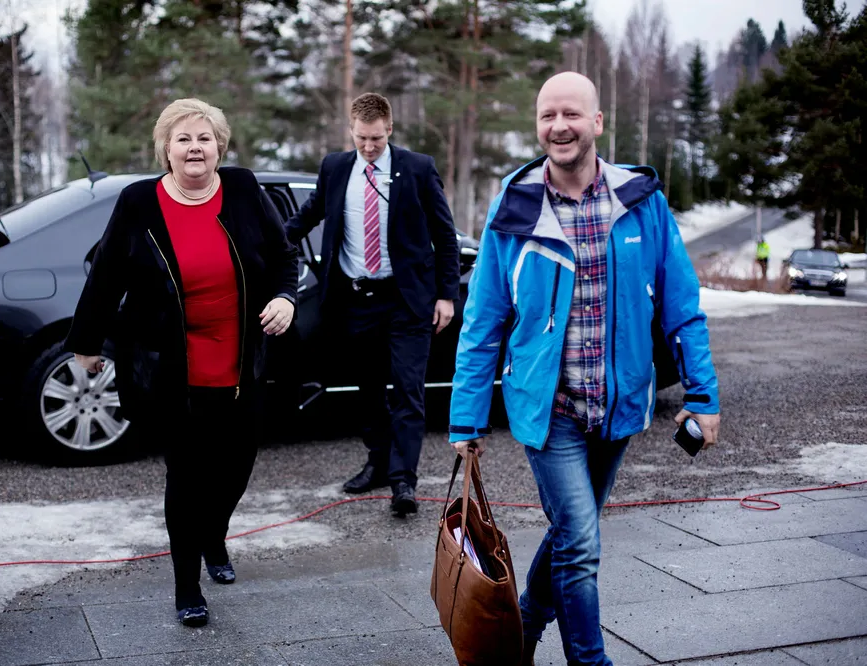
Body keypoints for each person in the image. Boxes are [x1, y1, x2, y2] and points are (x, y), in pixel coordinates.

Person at [448, 72, 721, 666]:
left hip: (617, 407)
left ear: (597, 121)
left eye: (571, 113)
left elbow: (681, 305)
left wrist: (703, 394)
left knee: (573, 532)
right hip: (550, 410)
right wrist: (466, 418)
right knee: (580, 543)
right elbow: (484, 317)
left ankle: (524, 623)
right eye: (547, 115)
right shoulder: (515, 206)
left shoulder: (641, 202)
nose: (559, 126)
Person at [64, 98, 299, 628]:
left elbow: (284, 256)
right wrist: (87, 340)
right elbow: (106, 274)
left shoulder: (243, 188)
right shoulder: (139, 201)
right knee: (187, 475)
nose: (195, 147)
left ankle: (214, 535)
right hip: (172, 364)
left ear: (220, 146)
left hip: (241, 359)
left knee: (237, 467)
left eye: (204, 138)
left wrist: (286, 297)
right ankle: (187, 585)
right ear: (165, 149)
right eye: (184, 138)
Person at [284, 92, 460, 516]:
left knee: (408, 391)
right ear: (351, 130)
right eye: (361, 138)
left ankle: (404, 481)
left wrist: (447, 294)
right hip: (356, 300)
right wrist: (260, 242)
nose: (368, 147)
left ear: (390, 129)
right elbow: (308, 215)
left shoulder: (418, 168)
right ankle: (378, 462)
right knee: (367, 391)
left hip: (407, 300)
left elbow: (445, 234)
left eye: (377, 139)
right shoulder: (335, 167)